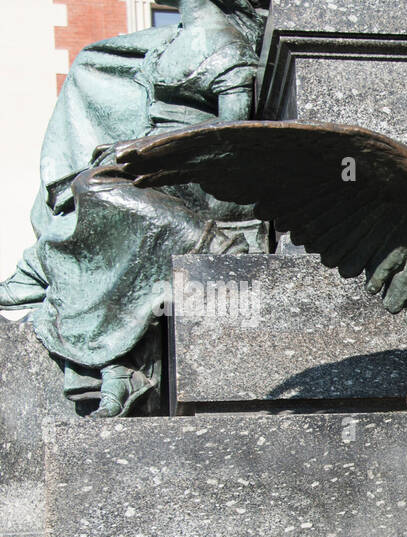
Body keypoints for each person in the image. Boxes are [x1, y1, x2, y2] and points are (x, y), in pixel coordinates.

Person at [0, 0, 267, 416]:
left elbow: (232, 142)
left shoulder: (224, 45)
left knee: (96, 188)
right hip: (163, 163)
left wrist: (150, 153)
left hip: (198, 175)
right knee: (90, 188)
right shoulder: (173, 40)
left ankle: (191, 244)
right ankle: (113, 359)